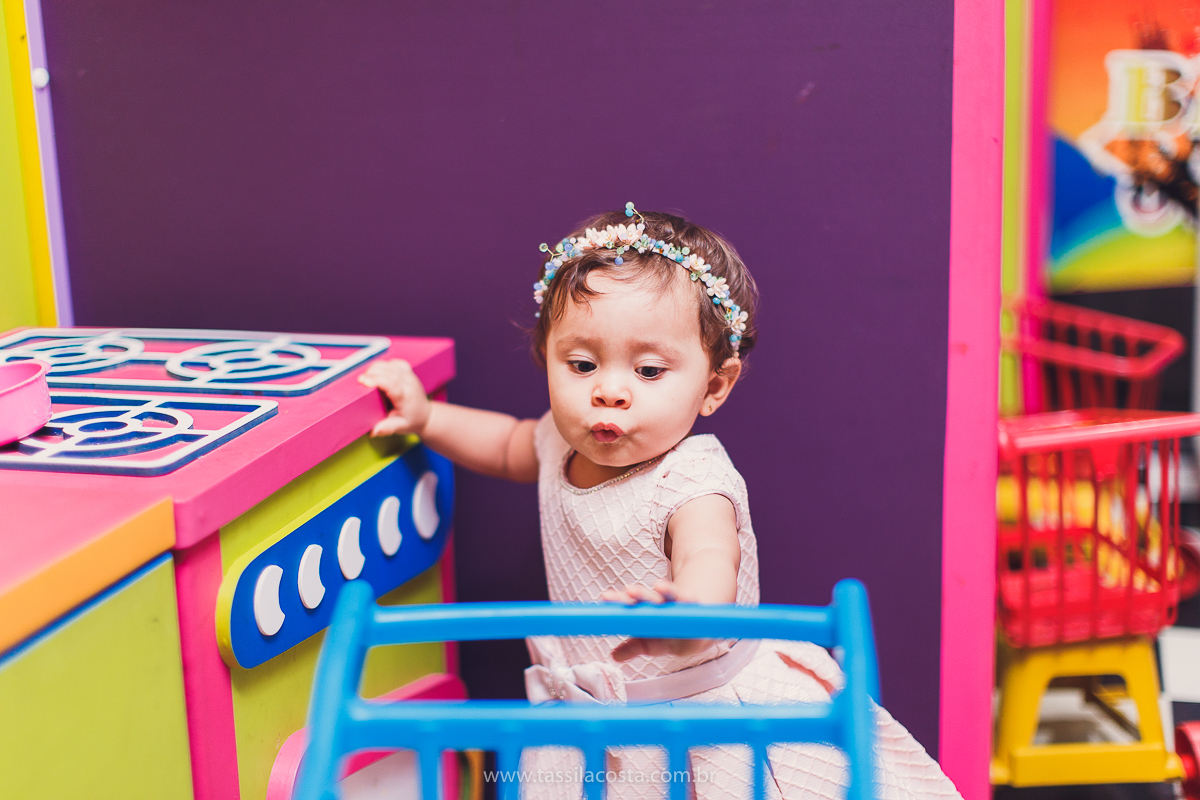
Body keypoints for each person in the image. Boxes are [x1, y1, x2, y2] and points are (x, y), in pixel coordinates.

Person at [359, 203, 961, 800]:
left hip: (699, 720)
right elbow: (507, 443)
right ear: (547, 357)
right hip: (593, 720)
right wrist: (428, 417)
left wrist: (685, 617)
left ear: (714, 386)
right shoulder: (556, 439)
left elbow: (709, 564)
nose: (609, 391)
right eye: (582, 363)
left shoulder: (693, 482)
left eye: (648, 370)